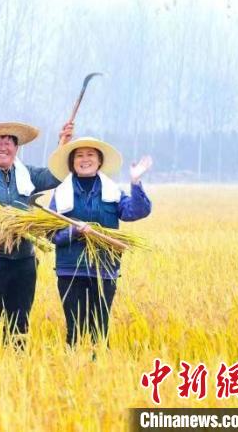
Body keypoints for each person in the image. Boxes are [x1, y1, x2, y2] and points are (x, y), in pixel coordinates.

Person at [0, 120, 73, 342]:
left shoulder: (28, 175)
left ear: (16, 148)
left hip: (23, 259)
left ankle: (16, 362)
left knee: (19, 317)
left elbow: (56, 175)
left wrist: (62, 144)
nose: (4, 147)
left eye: (9, 142)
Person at [47, 137, 152, 346]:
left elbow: (137, 211)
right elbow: (51, 233)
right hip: (70, 270)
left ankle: (99, 367)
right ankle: (72, 370)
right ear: (72, 162)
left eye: (90, 155)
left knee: (99, 329)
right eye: (79, 156)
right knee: (74, 330)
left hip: (104, 269)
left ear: (99, 161)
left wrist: (135, 182)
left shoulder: (112, 192)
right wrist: (73, 231)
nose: (85, 160)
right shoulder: (61, 193)